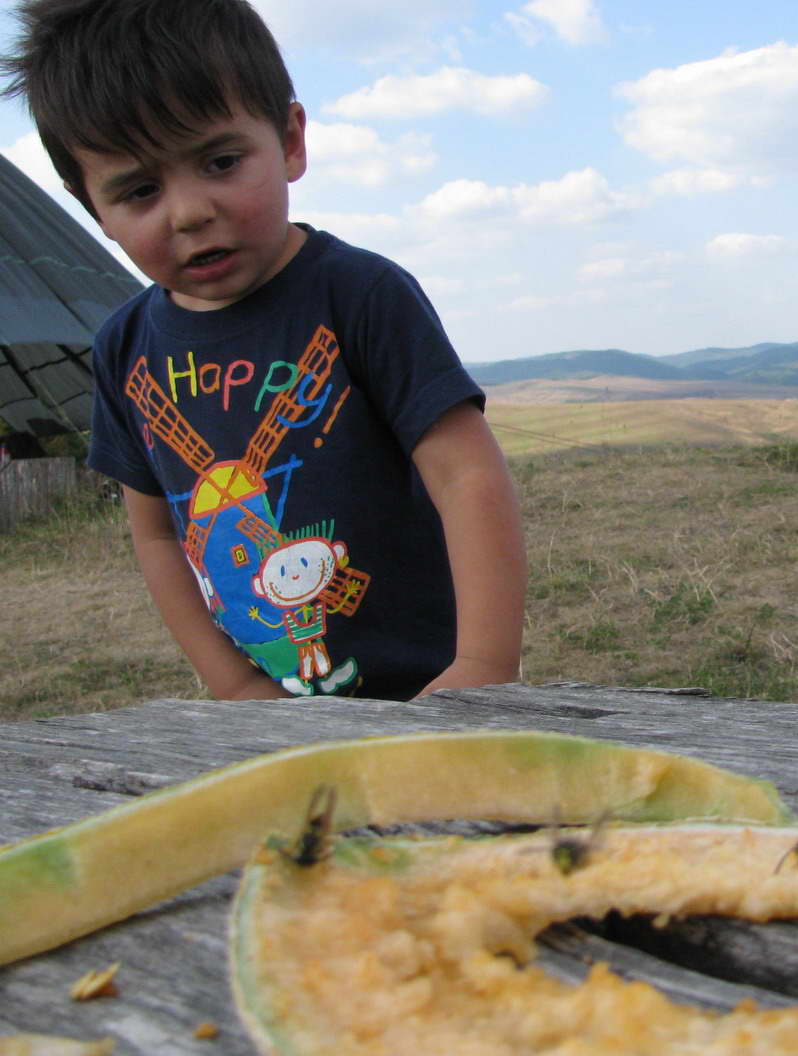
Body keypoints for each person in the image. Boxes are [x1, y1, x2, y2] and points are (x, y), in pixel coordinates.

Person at [1, 0, 527, 701]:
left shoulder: (361, 296)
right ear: (93, 208)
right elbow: (156, 536)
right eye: (140, 190)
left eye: (220, 161)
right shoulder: (123, 349)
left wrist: (483, 668)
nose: (190, 211)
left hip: (432, 694)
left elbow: (467, 476)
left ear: (290, 141)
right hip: (272, 712)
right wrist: (235, 684)